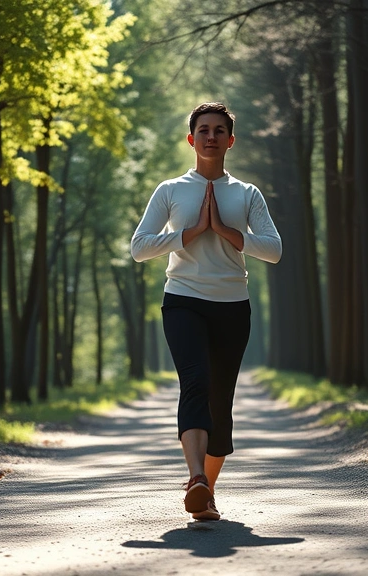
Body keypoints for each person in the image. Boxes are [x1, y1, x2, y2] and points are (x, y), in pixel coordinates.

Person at [130, 102, 282, 521]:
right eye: (203, 129)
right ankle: (196, 478)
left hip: (233, 305)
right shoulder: (171, 190)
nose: (211, 136)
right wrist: (190, 232)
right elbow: (140, 247)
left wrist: (228, 233)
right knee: (194, 384)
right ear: (191, 138)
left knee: (221, 403)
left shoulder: (246, 193)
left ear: (230, 141)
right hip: (183, 299)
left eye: (219, 130)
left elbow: (274, 250)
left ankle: (205, 492)